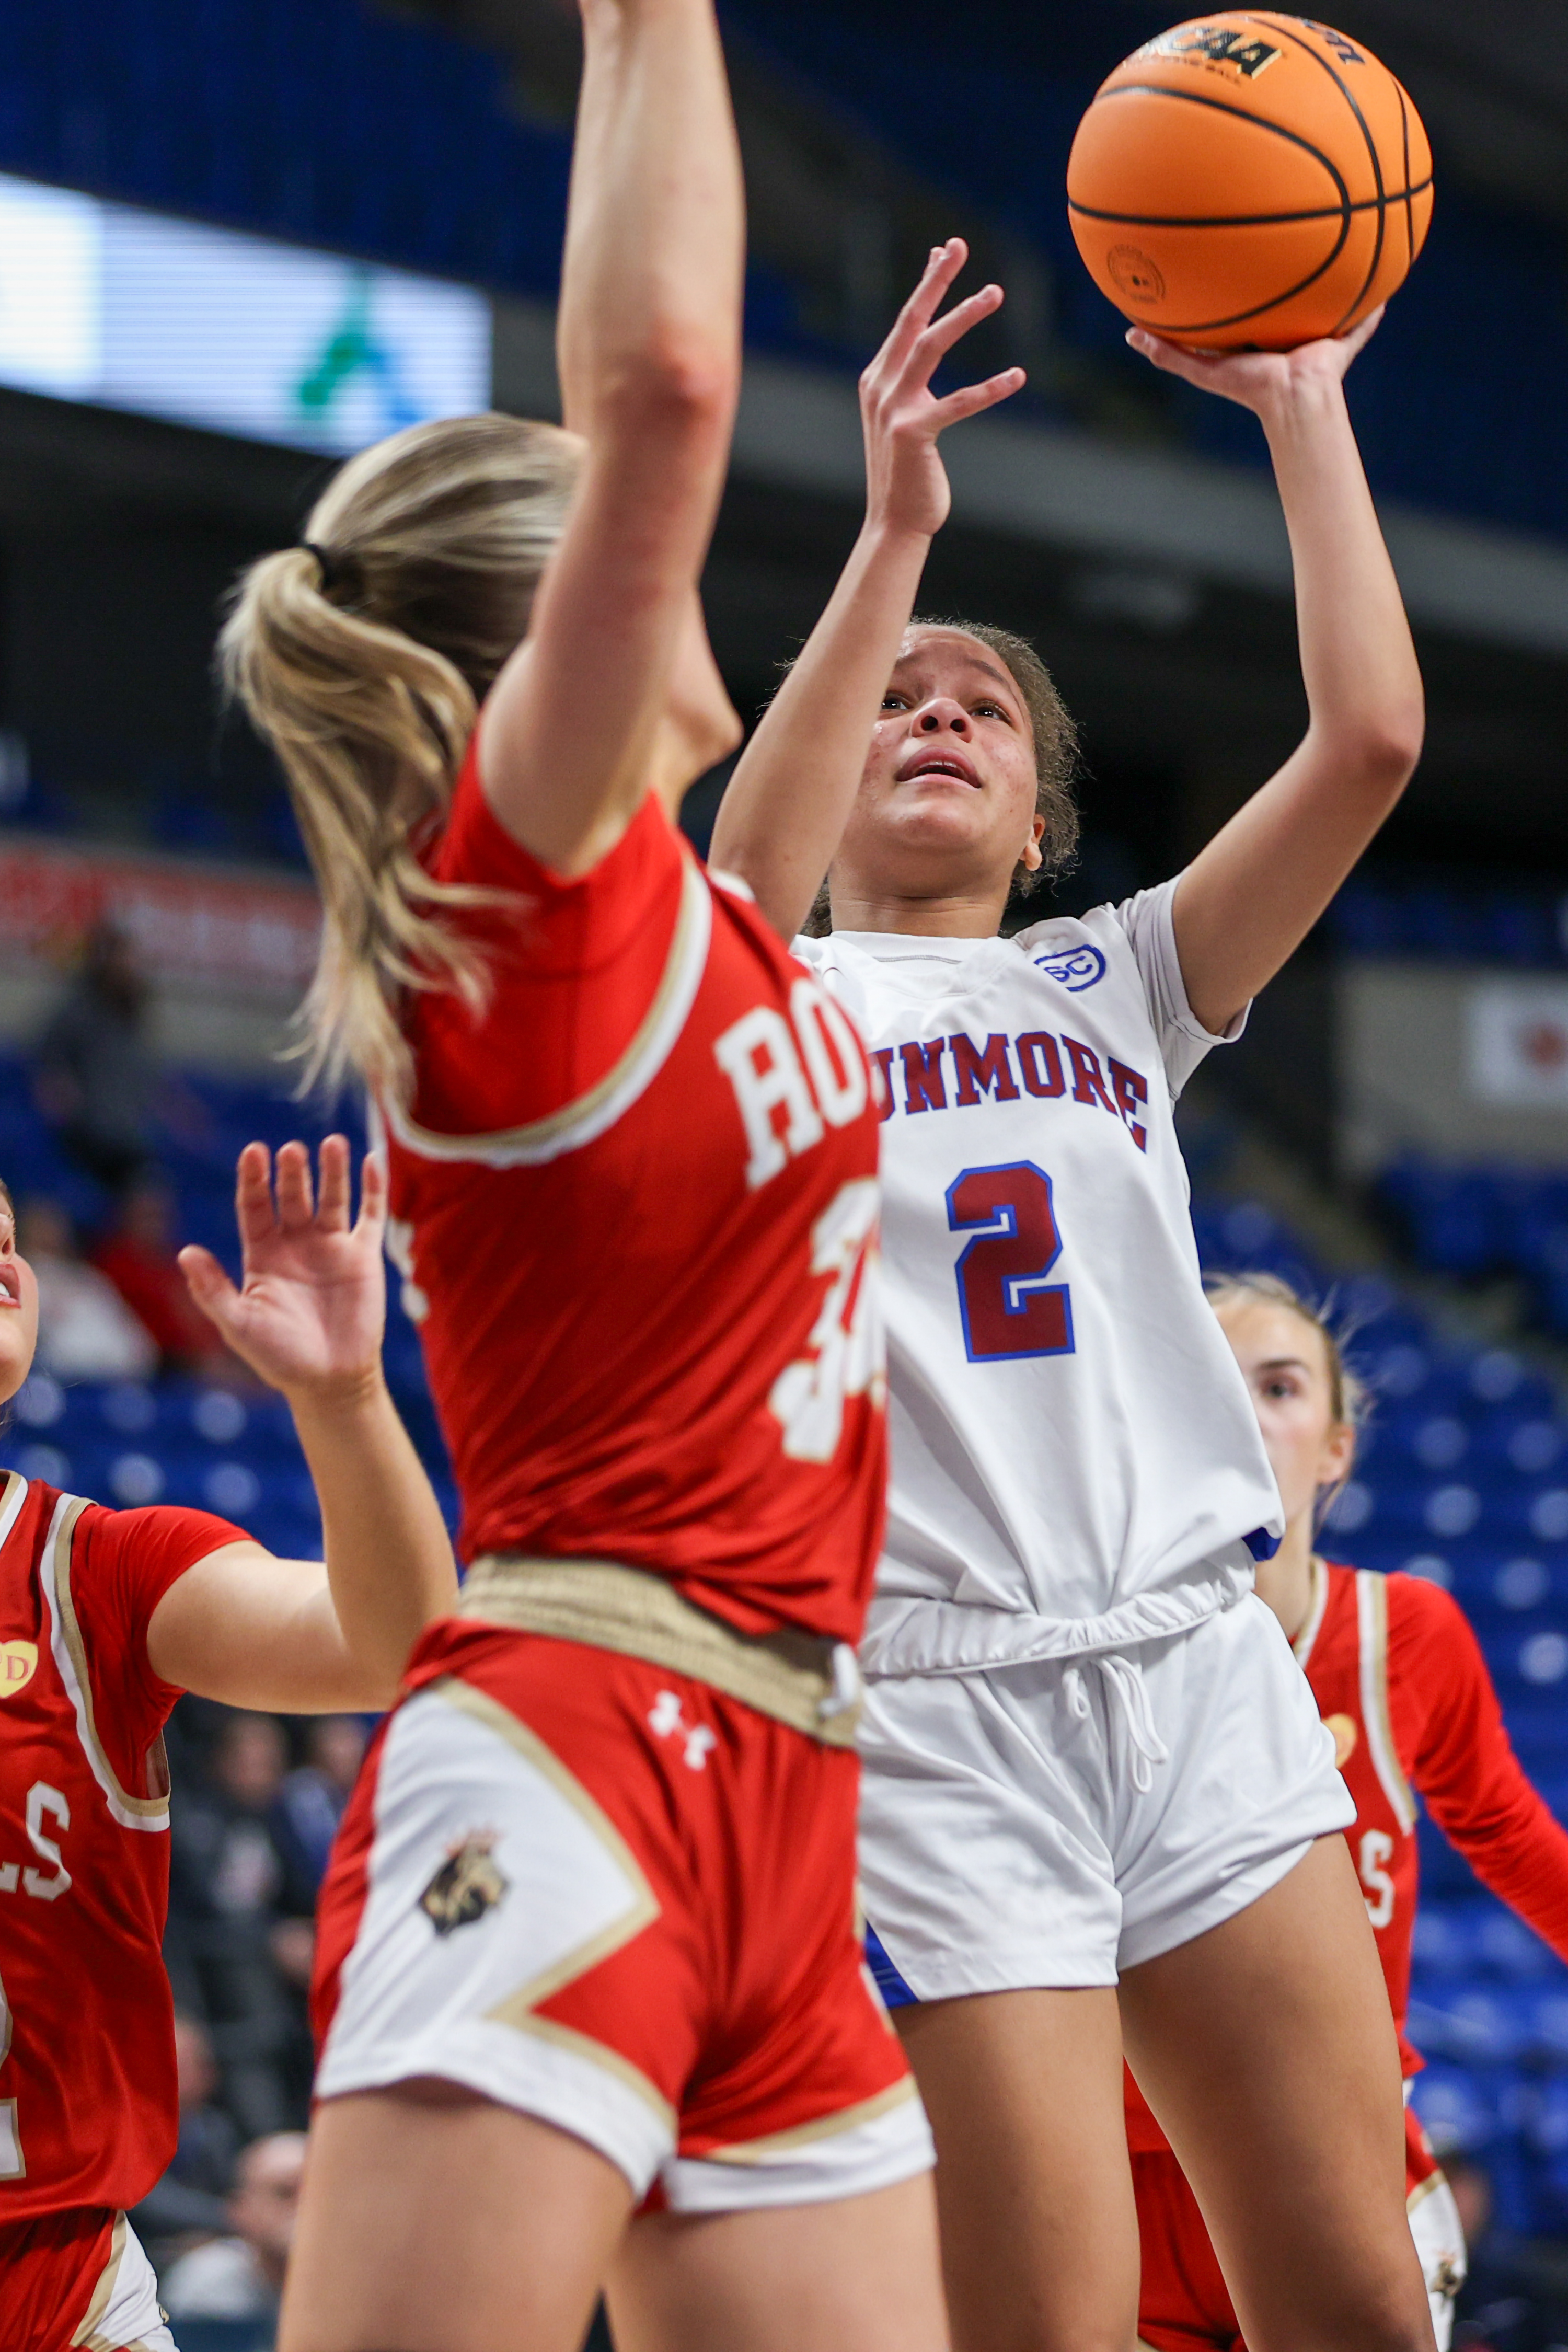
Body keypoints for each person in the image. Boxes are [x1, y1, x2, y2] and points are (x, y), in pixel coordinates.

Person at [220, 5, 946, 2350]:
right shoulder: (522, 910)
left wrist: (893, 538)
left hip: (789, 1791)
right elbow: (658, 384)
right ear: (566, 617)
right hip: (573, 1754)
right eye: (640, 531)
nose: (682, 542)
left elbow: (637, 424)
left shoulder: (696, 912)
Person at [708, 239, 1432, 2352]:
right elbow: (736, 880)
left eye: (987, 709)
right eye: (897, 698)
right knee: (1052, 2325)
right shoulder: (756, 996)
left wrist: (1307, 412)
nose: (938, 714)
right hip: (933, 1710)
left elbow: (1374, 737)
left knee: (1360, 2308)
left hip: (1196, 1667)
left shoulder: (1114, 981)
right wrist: (892, 542)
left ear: (1040, 827)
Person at [1, 1137, 458, 2352]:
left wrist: (343, 1400)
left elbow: (398, 1645)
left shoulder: (96, 1570)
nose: (4, 1257)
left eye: (7, 1238)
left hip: (62, 2283)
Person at [1127, 1274, 1568, 2352]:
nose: (1243, 1412)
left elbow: (1513, 1837)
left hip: (1345, 2156)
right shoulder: (1088, 1647)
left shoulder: (1402, 1632)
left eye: (1279, 1388)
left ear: (1336, 1449)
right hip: (1121, 2174)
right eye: (1213, 1381)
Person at [33, 920, 157, 1197]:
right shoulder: (77, 1013)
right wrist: (65, 1104)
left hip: (127, 1138)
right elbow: (50, 1070)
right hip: (87, 1137)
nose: (130, 966)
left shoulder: (131, 1020)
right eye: (122, 957)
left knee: (151, 1191)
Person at [159, 2130, 306, 2336]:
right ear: (241, 2209)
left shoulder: (348, 2284)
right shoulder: (210, 2283)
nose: (302, 2208)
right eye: (285, 2194)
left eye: (313, 2193)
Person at [16, 1194, 157, 1382]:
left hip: (116, 1378)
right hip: (58, 1382)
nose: (49, 1233)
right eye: (39, 1226)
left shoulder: (90, 1278)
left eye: (53, 1225)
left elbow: (141, 1349)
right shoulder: (15, 1278)